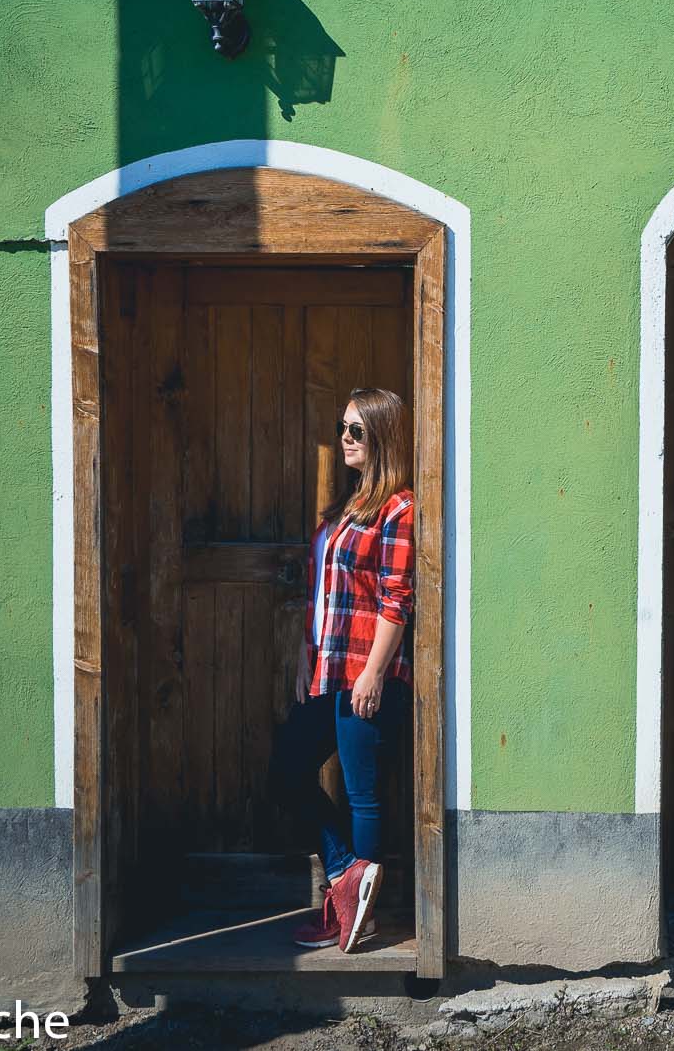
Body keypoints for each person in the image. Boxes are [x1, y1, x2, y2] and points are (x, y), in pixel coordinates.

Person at [270, 386, 415, 954]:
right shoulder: (347, 507)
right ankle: (347, 877)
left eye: (357, 429)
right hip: (328, 670)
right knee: (287, 769)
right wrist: (306, 653)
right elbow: (324, 590)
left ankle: (358, 915)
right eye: (343, 427)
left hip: (365, 672)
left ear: (382, 435)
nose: (346, 438)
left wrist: (376, 672)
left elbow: (396, 599)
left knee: (364, 795)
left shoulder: (398, 509)